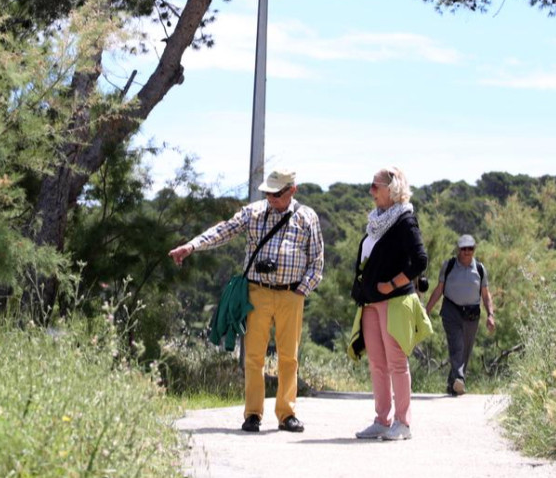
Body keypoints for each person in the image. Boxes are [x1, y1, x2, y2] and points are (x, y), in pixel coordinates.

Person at [168, 170, 324, 434]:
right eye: (267, 193)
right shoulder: (253, 212)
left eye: (276, 193)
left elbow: (317, 259)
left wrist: (302, 290)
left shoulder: (307, 217)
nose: (270, 197)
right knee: (253, 356)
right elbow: (223, 231)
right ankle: (253, 414)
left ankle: (287, 413)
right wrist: (192, 246)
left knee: (289, 357)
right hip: (257, 292)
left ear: (292, 190)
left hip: (291, 294)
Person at [348, 166, 430, 442]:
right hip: (370, 303)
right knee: (377, 364)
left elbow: (420, 261)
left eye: (375, 186)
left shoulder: (405, 219)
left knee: (396, 363)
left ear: (392, 188)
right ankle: (382, 420)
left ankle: (403, 423)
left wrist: (392, 284)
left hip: (394, 301)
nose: (371, 191)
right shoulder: (376, 221)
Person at [425, 233, 495, 396]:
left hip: (472, 313)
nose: (467, 252)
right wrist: (427, 310)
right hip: (451, 310)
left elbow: (486, 294)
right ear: (458, 249)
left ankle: (453, 384)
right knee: (456, 345)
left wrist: (490, 315)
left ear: (474, 250)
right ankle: (460, 378)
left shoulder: (479, 269)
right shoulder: (448, 266)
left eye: (470, 248)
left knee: (466, 350)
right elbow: (439, 289)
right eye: (464, 248)